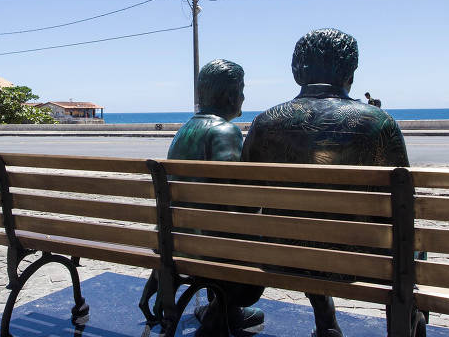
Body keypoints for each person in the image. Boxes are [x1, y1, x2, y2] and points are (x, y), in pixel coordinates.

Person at [242, 29, 409, 337]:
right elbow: (399, 207)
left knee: (302, 223)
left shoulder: (264, 123)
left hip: (280, 255)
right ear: (350, 72)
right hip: (359, 262)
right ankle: (408, 323)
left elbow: (247, 199)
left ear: (296, 71)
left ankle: (325, 317)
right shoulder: (379, 123)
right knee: (409, 241)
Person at [165, 59, 265, 335]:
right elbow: (234, 200)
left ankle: (223, 310)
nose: (244, 96)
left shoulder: (183, 131)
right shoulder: (225, 130)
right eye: (242, 89)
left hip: (179, 244)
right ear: (232, 94)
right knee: (254, 240)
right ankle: (220, 311)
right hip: (212, 252)